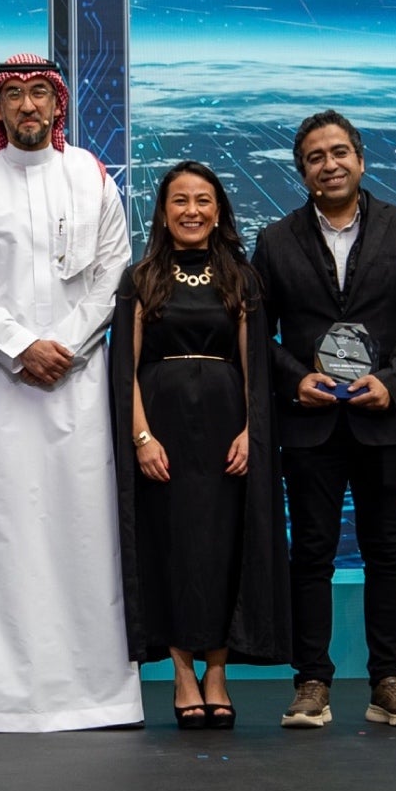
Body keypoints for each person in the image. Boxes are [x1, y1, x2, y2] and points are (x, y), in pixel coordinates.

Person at [0, 55, 137, 732]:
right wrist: (23, 346)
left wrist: (64, 345)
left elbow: (114, 273)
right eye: (16, 95)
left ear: (58, 105)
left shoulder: (91, 176)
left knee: (82, 534)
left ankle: (94, 694)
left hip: (78, 386)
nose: (28, 106)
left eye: (40, 94)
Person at [253, 110, 396, 731]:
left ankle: (389, 681)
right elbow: (258, 331)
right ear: (302, 171)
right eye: (315, 157)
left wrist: (393, 380)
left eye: (339, 152)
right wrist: (294, 378)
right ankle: (311, 681)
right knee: (311, 554)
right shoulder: (275, 240)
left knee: (387, 552)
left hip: (384, 416)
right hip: (310, 422)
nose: (329, 165)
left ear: (360, 160)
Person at [112, 161, 289, 728]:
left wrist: (252, 432)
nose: (192, 210)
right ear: (163, 213)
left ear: (218, 211)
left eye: (203, 200)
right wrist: (141, 437)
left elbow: (254, 364)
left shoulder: (241, 277)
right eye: (180, 201)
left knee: (221, 549)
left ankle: (217, 673)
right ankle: (182, 673)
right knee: (170, 548)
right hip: (161, 431)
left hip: (225, 433)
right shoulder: (139, 278)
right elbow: (124, 368)